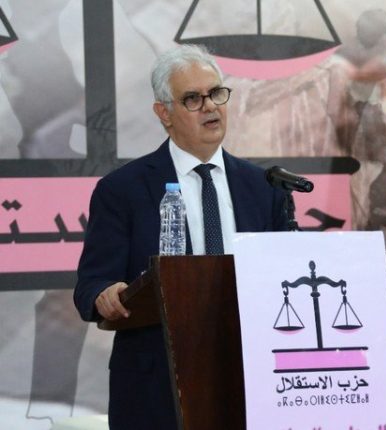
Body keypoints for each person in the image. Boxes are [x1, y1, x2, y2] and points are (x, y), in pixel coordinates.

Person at [73, 44, 287, 429]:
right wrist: (105, 294)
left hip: (251, 378)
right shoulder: (122, 190)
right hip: (157, 386)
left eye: (216, 93)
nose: (210, 107)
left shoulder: (264, 186)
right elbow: (91, 284)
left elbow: (284, 275)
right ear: (164, 113)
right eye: (192, 98)